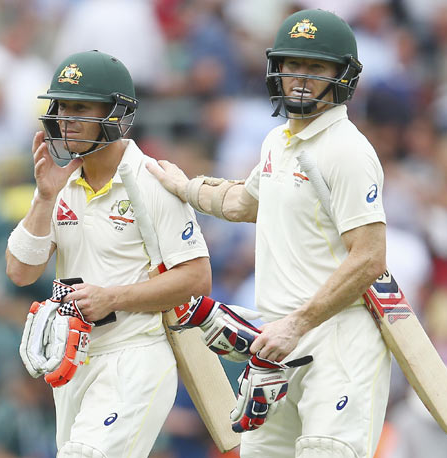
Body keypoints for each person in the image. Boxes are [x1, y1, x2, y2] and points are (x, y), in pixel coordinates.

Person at [147, 9, 391, 458]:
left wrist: (298, 324)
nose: (300, 77)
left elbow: (370, 257)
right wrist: (185, 187)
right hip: (274, 345)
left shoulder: (348, 151)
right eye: (292, 64)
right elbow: (246, 202)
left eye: (315, 67)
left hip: (337, 341)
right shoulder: (278, 141)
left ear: (343, 77)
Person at [5, 50, 211, 458]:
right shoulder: (58, 181)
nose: (66, 118)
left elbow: (197, 278)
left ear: (116, 114)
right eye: (61, 106)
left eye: (80, 107)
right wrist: (45, 197)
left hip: (135, 356)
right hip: (73, 360)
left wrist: (111, 297)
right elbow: (20, 272)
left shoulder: (151, 180)